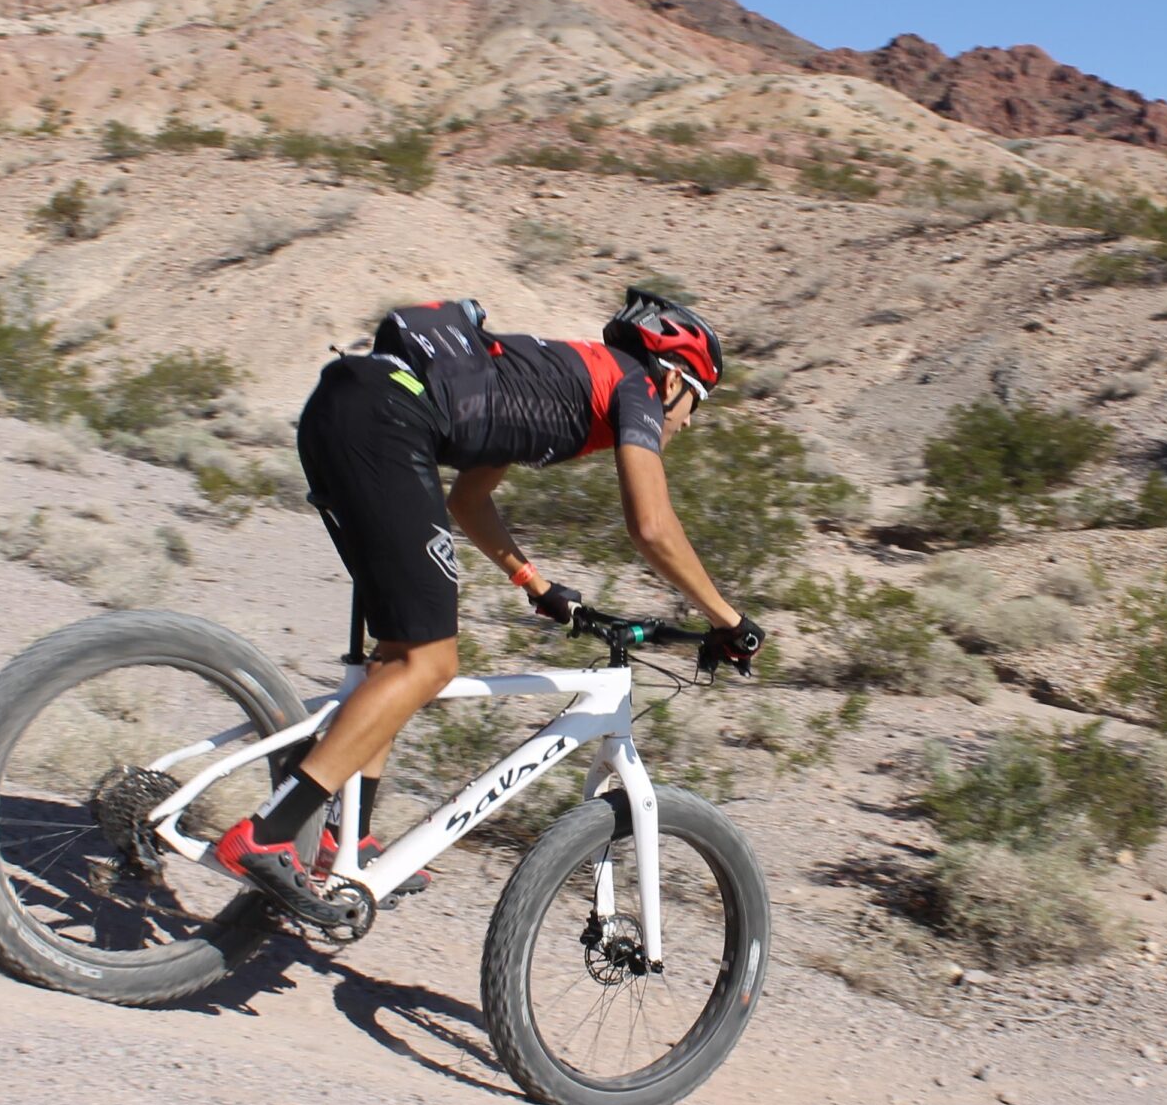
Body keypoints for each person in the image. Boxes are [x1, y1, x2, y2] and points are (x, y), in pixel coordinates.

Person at [211, 288, 766, 919]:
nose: (689, 421)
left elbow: (467, 501)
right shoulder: (634, 387)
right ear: (674, 380)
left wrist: (535, 583)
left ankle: (347, 837)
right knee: (429, 663)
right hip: (386, 421)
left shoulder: (559, 375)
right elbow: (651, 527)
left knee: (400, 656)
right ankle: (266, 834)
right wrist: (729, 621)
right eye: (697, 402)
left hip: (344, 407)